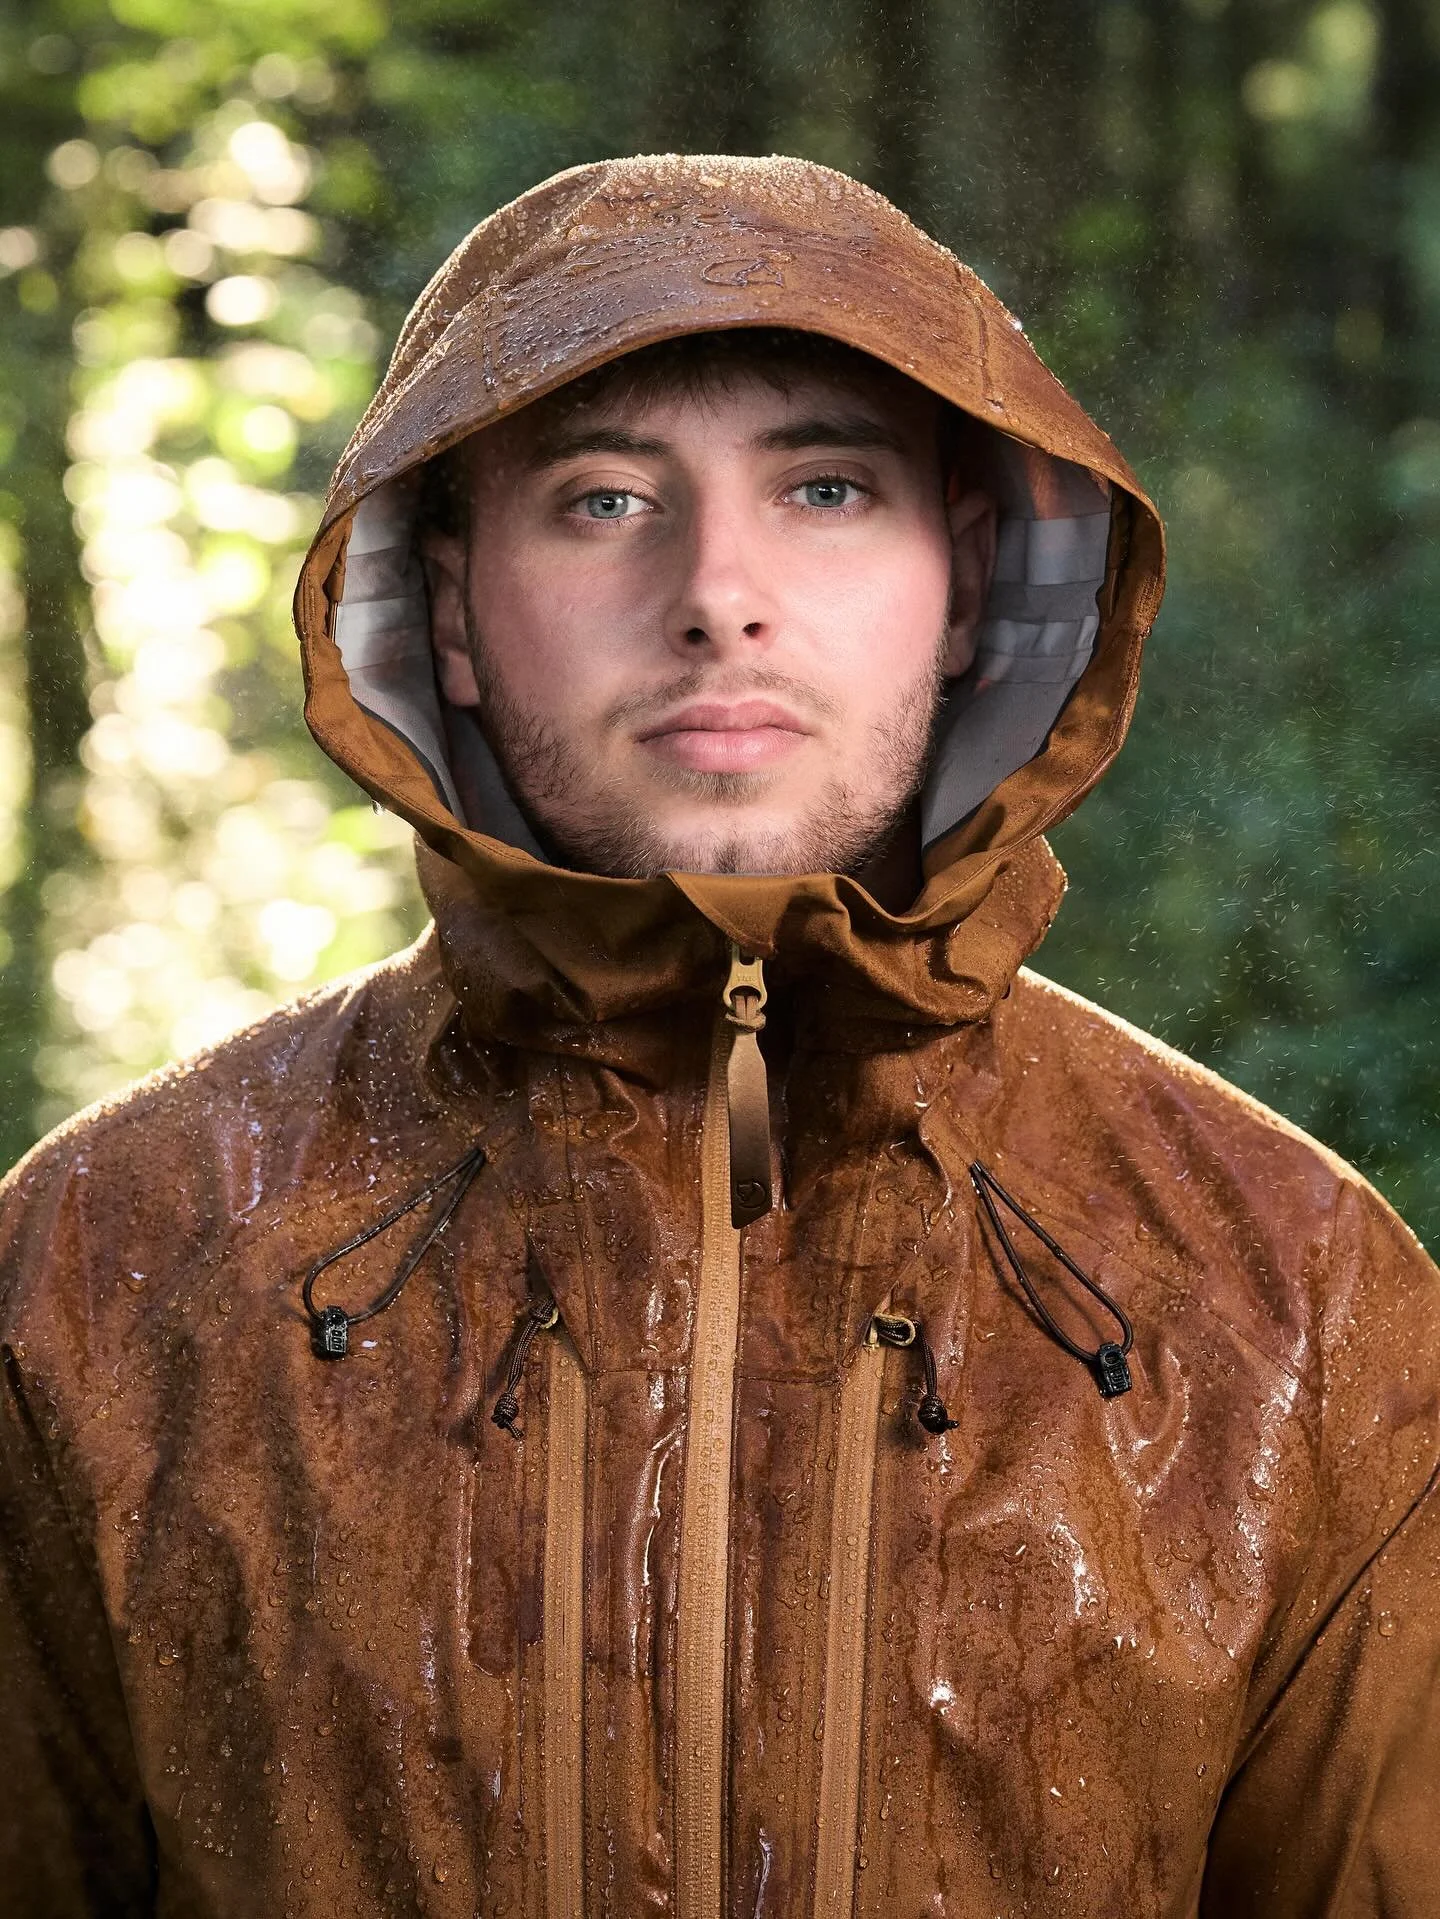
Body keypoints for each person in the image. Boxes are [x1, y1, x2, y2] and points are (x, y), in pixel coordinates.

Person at [2, 153, 1437, 1919]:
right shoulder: (99, 1268)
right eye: (604, 499)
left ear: (970, 583)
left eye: (825, 489)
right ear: (448, 611)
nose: (718, 595)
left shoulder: (1294, 1297)